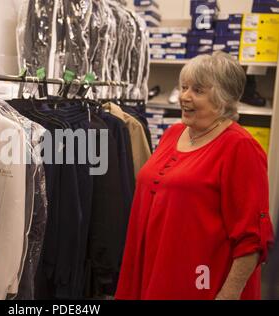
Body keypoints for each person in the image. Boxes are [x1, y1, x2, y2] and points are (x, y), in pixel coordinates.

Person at [115, 51, 275, 300]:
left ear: (223, 98)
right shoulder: (174, 133)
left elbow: (251, 238)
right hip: (151, 270)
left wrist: (228, 295)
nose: (184, 97)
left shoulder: (240, 148)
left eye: (198, 90)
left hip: (199, 283)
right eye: (184, 87)